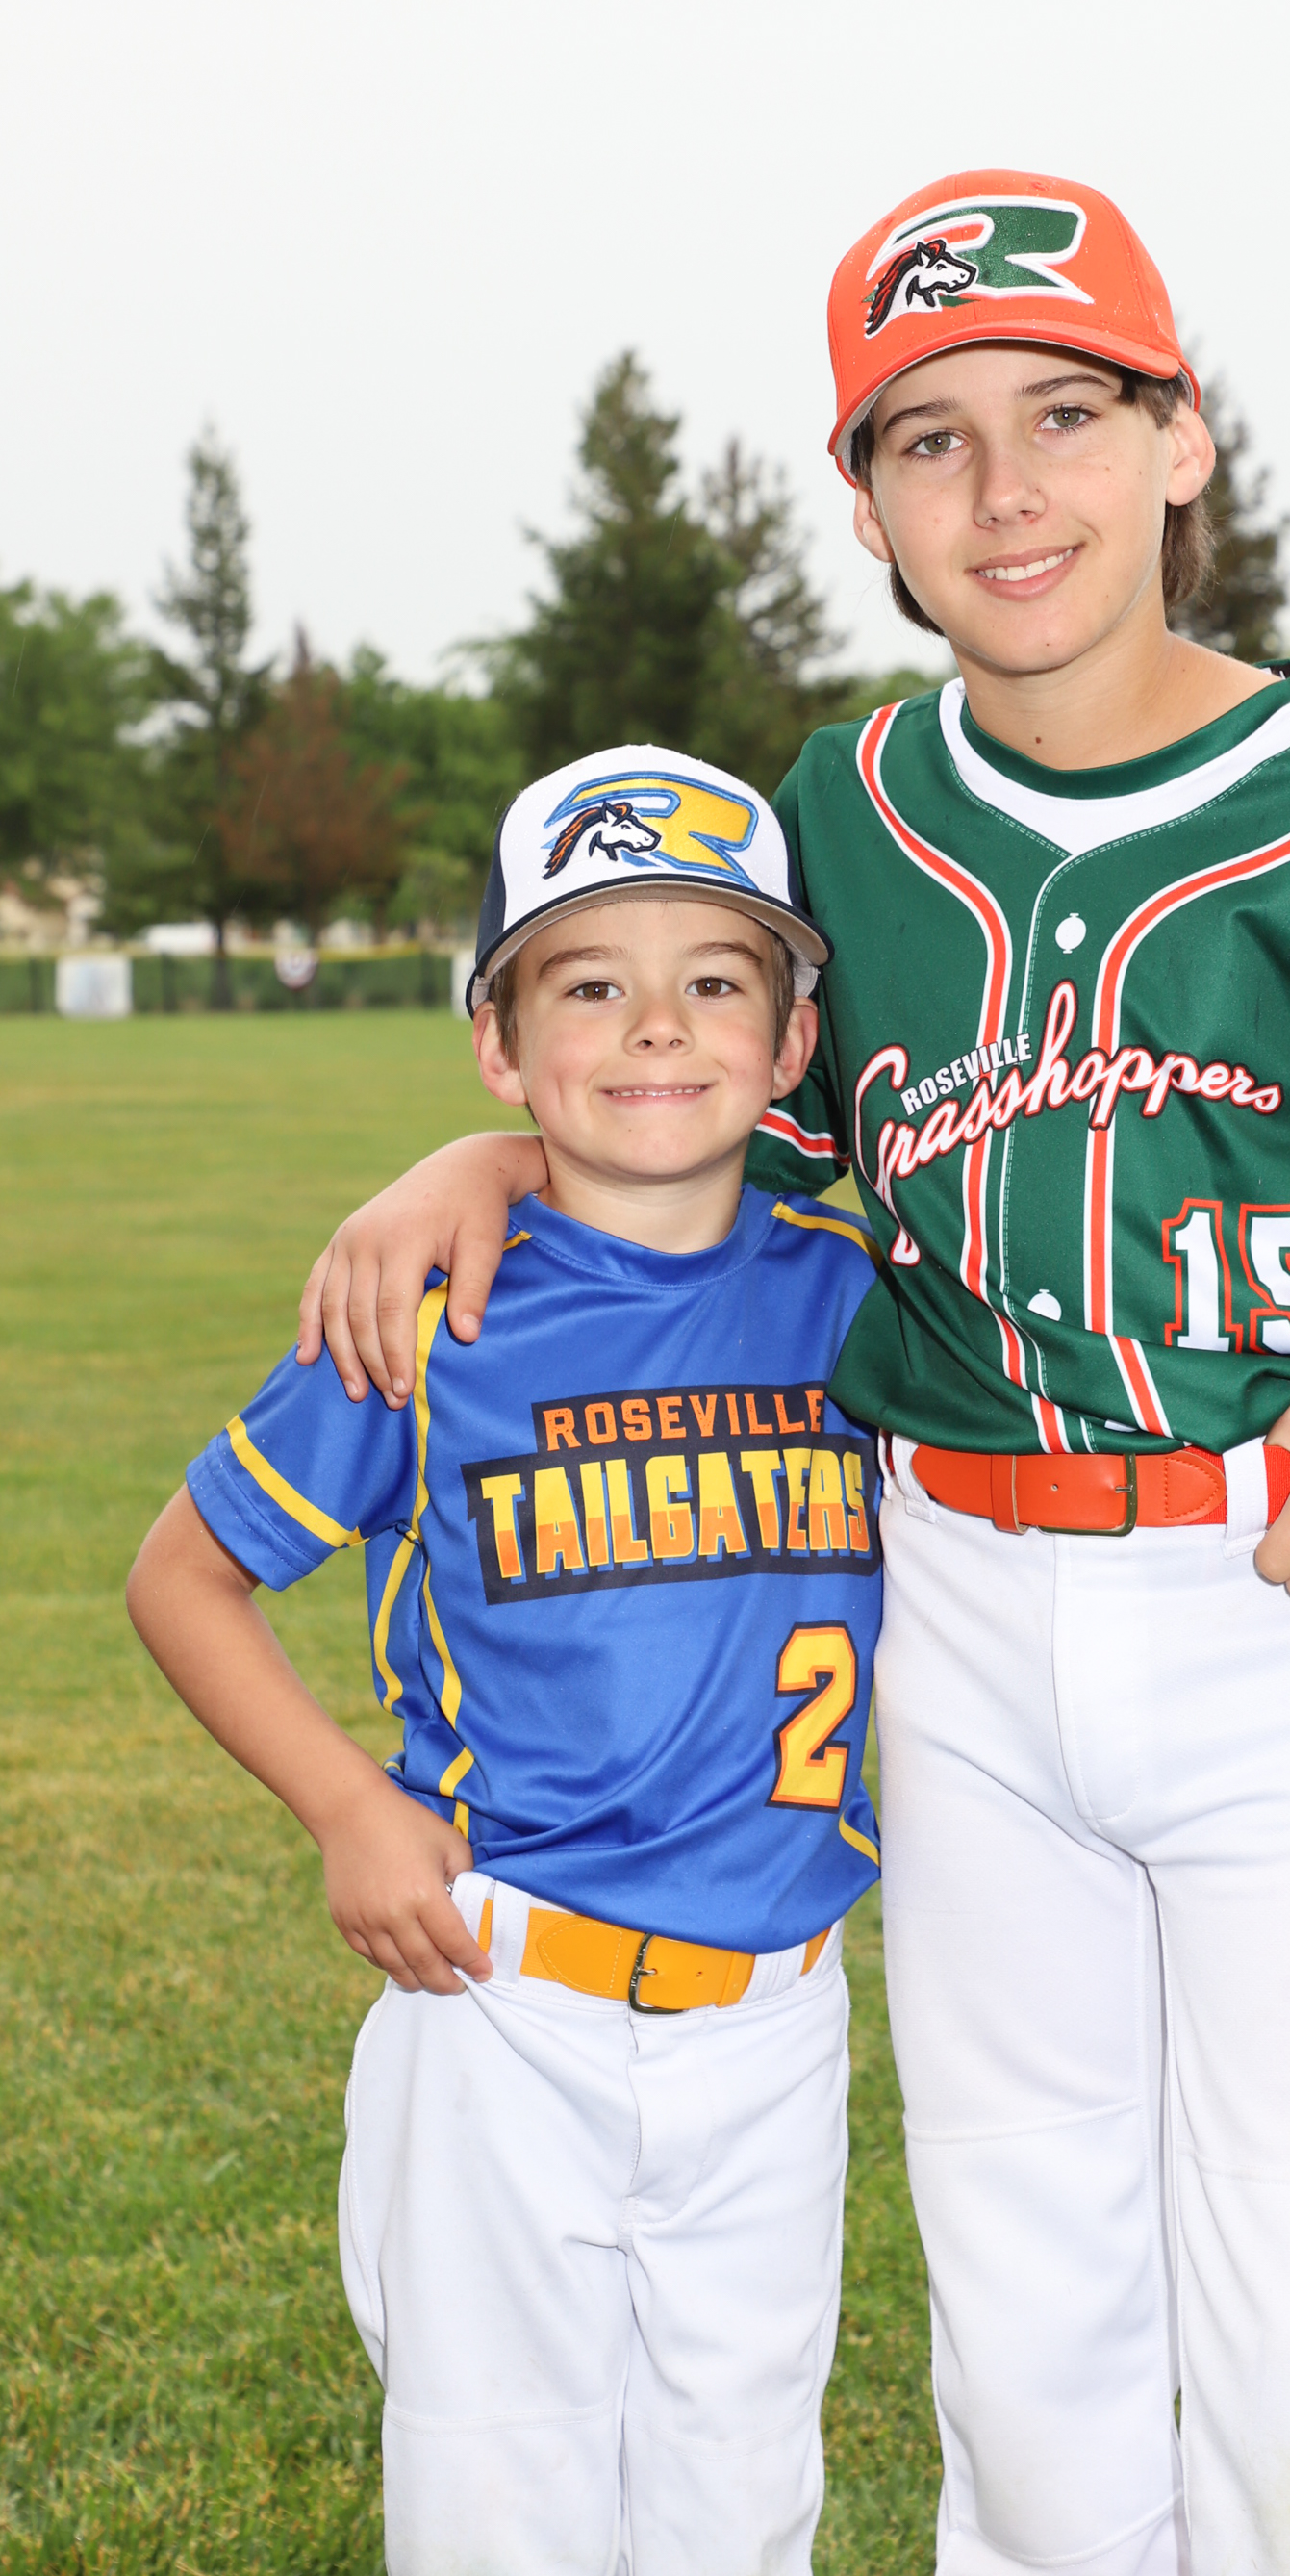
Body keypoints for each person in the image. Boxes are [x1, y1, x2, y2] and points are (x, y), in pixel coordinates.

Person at [297, 174, 1290, 2574]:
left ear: (1181, 440)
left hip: (1281, 1593)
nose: (1004, 492)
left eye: (1066, 415)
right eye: (931, 439)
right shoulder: (845, 818)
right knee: (1019, 2300)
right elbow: (705, 1092)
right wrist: (485, 1148)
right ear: (863, 499)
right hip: (961, 1602)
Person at [128, 748, 885, 2576]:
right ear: (498, 1041)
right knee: (497, 2506)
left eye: (716, 981)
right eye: (588, 983)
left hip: (777, 2015)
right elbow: (183, 1577)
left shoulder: (859, 1299)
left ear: (794, 1042)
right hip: (502, 2004)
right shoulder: (430, 1310)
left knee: (739, 2502)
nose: (656, 1027)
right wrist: (345, 1807)